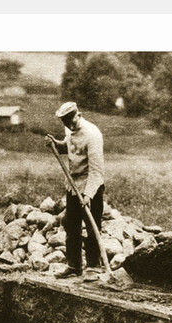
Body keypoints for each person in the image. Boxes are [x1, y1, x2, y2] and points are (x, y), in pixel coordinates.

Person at [44, 101, 106, 280]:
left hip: (90, 184)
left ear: (78, 115)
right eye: (66, 124)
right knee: (70, 224)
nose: (70, 126)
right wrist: (56, 144)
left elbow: (96, 170)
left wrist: (88, 195)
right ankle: (74, 265)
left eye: (72, 122)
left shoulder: (93, 134)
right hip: (72, 184)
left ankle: (94, 266)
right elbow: (70, 147)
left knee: (92, 226)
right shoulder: (69, 129)